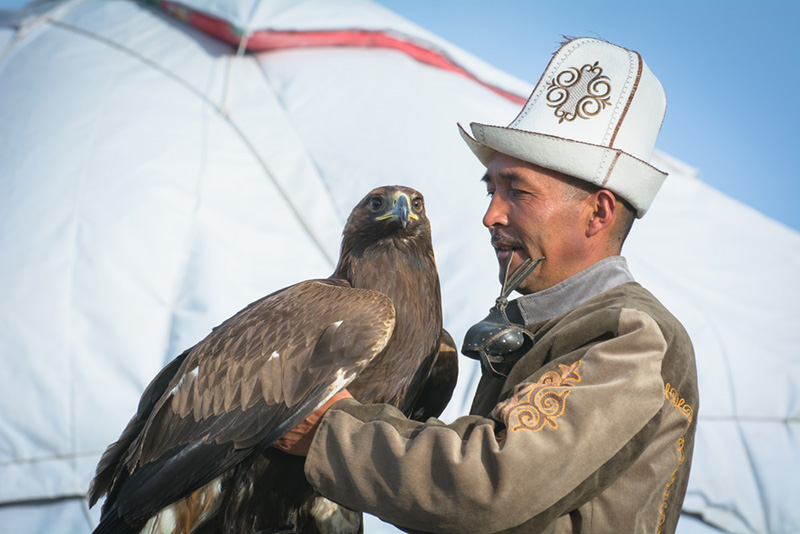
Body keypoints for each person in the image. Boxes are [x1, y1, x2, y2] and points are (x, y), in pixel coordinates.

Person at [275, 37, 698, 534]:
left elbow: (486, 485)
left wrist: (329, 432)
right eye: (491, 189)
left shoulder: (630, 334)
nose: (490, 215)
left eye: (516, 192)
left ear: (598, 212)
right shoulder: (545, 325)